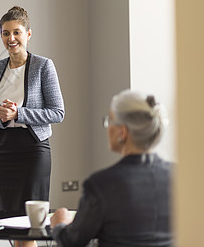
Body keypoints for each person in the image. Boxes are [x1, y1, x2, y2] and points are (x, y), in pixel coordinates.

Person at [51, 90, 174, 247]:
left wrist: (60, 224)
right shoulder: (179, 176)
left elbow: (72, 241)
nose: (107, 127)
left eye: (110, 121)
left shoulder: (101, 184)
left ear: (122, 132)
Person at [0, 6, 65, 212]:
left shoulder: (44, 66)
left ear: (28, 34)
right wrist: (0, 117)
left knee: (31, 221)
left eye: (16, 32)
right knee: (9, 219)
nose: (11, 38)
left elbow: (57, 112)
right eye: (5, 33)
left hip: (34, 149)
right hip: (3, 150)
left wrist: (19, 114)